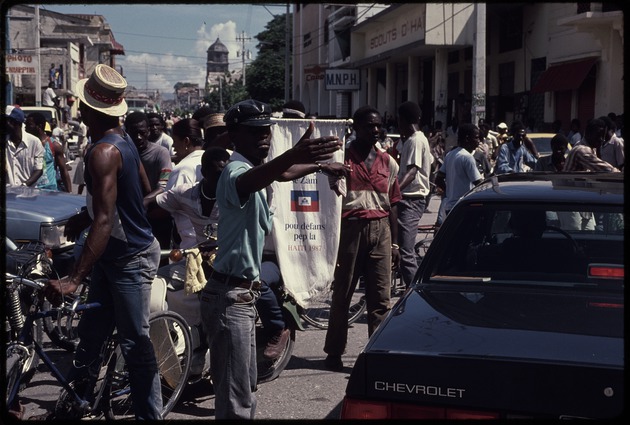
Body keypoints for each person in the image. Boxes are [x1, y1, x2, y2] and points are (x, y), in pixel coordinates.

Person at [199, 99, 340, 418]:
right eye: (254, 132)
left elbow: (282, 172)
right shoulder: (237, 169)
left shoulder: (252, 167)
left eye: (267, 130)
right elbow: (254, 180)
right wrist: (296, 153)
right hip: (229, 297)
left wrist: (320, 165)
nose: (264, 137)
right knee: (237, 399)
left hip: (241, 296)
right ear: (234, 135)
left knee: (244, 388)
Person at [43, 64, 162, 420]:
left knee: (136, 343)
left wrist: (75, 277)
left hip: (131, 258)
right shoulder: (120, 139)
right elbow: (139, 190)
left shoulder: (104, 152)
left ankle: (149, 416)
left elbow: (108, 219)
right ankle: (77, 404)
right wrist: (92, 212)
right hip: (116, 254)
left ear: (87, 109)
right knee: (91, 335)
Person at [323, 105, 401, 372]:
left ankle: (376, 354)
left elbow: (393, 204)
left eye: (379, 125)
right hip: (350, 230)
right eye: (370, 125)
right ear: (356, 127)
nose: (376, 130)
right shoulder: (341, 158)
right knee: (342, 294)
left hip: (381, 229)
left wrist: (395, 243)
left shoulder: (389, 161)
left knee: (381, 297)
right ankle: (334, 352)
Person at [145, 146, 229, 382]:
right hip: (193, 261)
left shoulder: (235, 196)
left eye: (225, 174)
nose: (220, 179)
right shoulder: (184, 193)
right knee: (154, 289)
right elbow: (155, 204)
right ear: (204, 172)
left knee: (222, 317)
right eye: (215, 173)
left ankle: (222, 367)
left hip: (228, 264)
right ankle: (185, 348)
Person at [394, 101, 432, 289]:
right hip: (406, 198)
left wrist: (394, 191)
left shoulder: (416, 140)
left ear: (402, 120)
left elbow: (412, 171)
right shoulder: (411, 140)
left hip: (411, 200)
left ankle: (416, 293)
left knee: (406, 253)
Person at [125, 111, 173, 252]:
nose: (138, 137)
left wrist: (144, 202)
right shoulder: (123, 152)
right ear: (126, 132)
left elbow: (163, 185)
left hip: (156, 214)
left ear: (148, 131)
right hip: (131, 216)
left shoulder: (160, 153)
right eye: (133, 133)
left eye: (142, 133)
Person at [166, 118, 204, 249]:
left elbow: (169, 206)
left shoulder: (182, 169)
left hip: (192, 245)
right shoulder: (213, 161)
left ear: (186, 141)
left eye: (175, 141)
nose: (173, 147)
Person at [434, 123, 483, 217]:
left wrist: (449, 192)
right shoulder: (467, 157)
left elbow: (438, 179)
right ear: (467, 138)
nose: (478, 141)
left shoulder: (450, 154)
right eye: (476, 138)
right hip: (464, 207)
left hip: (450, 207)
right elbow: (479, 184)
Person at [25, 112, 72, 192]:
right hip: (32, 190)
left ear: (39, 126)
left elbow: (63, 170)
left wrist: (69, 192)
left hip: (50, 191)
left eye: (29, 125)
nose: (26, 128)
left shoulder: (54, 145)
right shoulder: (26, 144)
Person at [5, 105, 44, 187]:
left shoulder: (34, 142)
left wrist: (24, 185)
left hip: (28, 194)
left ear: (13, 123)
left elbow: (39, 170)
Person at [73, 115, 89, 194]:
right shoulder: (84, 125)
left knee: (82, 177)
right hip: (82, 149)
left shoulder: (82, 126)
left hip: (82, 148)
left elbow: (82, 137)